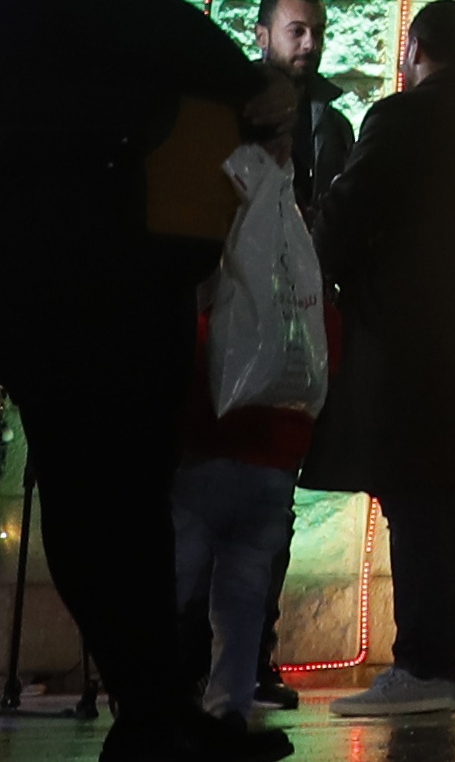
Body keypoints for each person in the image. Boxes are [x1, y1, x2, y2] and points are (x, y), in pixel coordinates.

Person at [0, 0, 298, 762]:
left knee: (101, 499)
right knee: (117, 498)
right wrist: (252, 85)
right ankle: (156, 716)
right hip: (92, 268)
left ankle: (156, 709)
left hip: (31, 262)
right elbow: (173, 37)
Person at [306, 0, 455, 719]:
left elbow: (347, 218)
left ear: (414, 49)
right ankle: (444, 661)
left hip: (407, 348)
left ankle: (420, 665)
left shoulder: (397, 118)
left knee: (412, 501)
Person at [174, 215, 327, 756]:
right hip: (273, 461)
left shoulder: (216, 284)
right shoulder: (296, 292)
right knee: (243, 597)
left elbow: (188, 359)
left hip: (204, 452)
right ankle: (229, 710)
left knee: (173, 580)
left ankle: (159, 706)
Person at [251, 0, 358, 213]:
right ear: (262, 36)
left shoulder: (336, 126)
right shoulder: (234, 110)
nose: (310, 44)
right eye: (297, 31)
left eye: (318, 33)